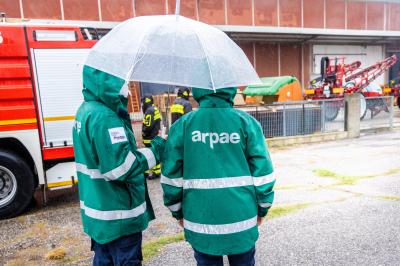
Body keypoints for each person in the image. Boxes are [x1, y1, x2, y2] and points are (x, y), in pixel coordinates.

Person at [161, 87, 275, 266]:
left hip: (200, 220)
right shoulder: (247, 123)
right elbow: (264, 174)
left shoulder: (182, 126)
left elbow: (171, 178)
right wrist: (263, 209)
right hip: (242, 219)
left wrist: (177, 212)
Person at [72, 66, 165, 266]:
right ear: (109, 80)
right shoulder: (105, 117)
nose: (127, 86)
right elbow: (122, 167)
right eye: (122, 80)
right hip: (119, 217)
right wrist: (157, 150)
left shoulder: (86, 110)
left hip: (100, 215)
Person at [141, 95, 162, 179]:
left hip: (150, 137)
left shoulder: (149, 111)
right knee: (154, 153)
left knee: (149, 154)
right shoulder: (154, 108)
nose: (142, 105)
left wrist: (144, 132)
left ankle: (152, 173)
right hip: (154, 135)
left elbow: (148, 125)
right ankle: (156, 172)